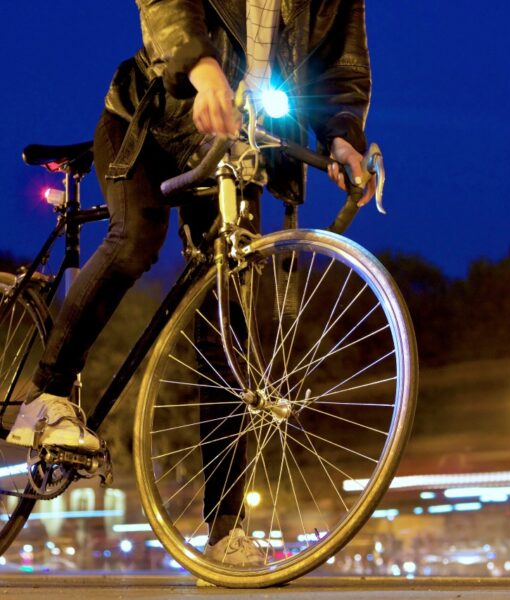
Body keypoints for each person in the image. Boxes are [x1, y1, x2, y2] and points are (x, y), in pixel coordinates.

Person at [8, 0, 375, 565]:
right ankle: (47, 397)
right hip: (151, 123)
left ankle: (226, 531)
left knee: (229, 326)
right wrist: (201, 70)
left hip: (243, 148)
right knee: (136, 240)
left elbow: (340, 72)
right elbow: (166, 10)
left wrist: (343, 137)